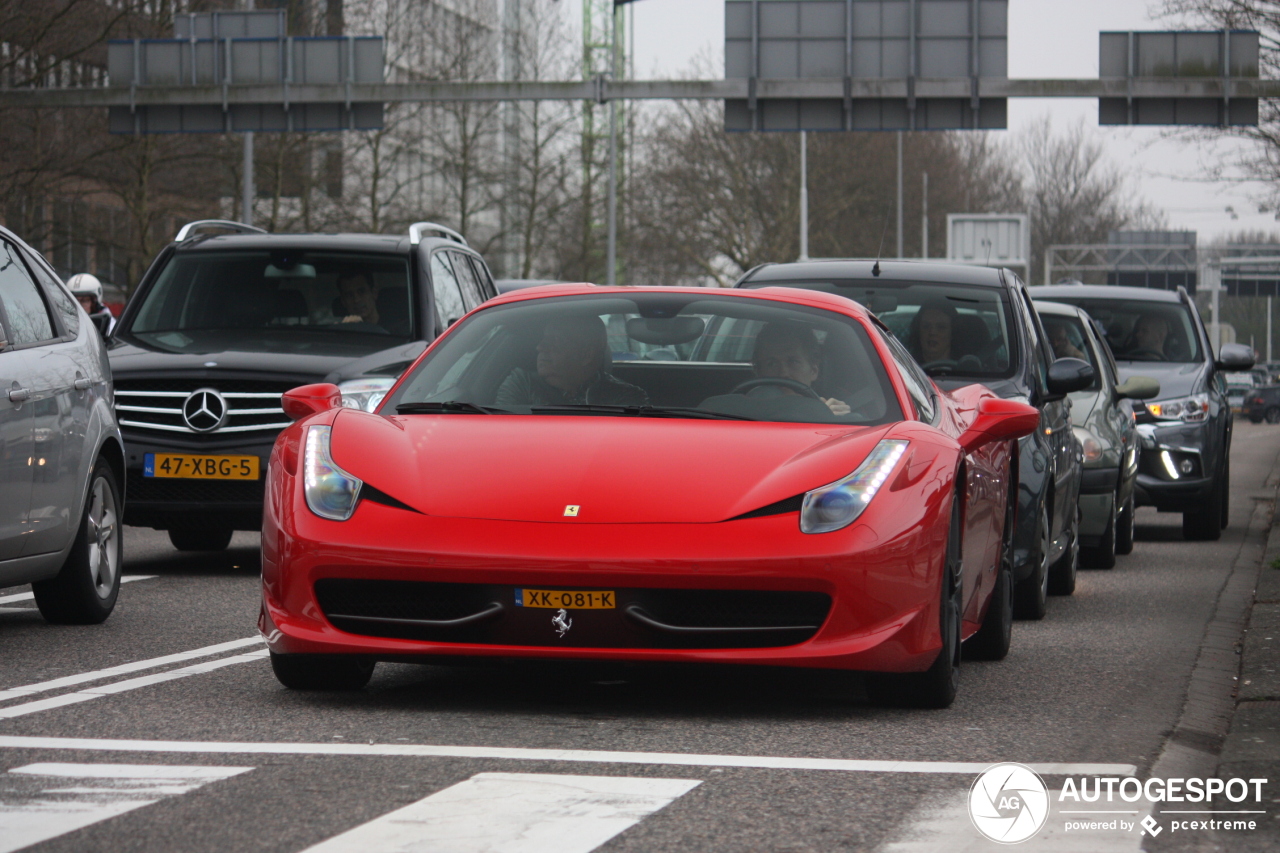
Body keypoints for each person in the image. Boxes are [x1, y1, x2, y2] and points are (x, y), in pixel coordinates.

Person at [496, 315, 649, 407]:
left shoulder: (626, 398)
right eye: (543, 339)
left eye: (554, 340)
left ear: (586, 355)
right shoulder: (522, 383)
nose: (540, 347)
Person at [749, 322, 850, 416]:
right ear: (759, 372)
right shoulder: (740, 414)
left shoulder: (826, 413)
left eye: (793, 362)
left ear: (813, 371)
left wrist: (835, 419)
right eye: (772, 364)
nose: (783, 373)